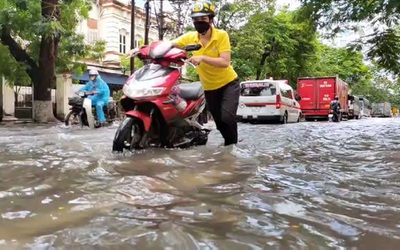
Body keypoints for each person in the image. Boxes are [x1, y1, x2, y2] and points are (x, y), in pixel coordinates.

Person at [173, 0, 240, 146]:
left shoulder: (221, 35)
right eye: (196, 19)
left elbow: (225, 62)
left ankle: (232, 148)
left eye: (203, 19)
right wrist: (144, 49)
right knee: (219, 122)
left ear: (210, 20)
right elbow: (169, 44)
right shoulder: (190, 37)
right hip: (209, 87)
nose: (199, 22)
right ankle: (228, 145)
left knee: (227, 118)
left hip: (228, 83)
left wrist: (202, 57)